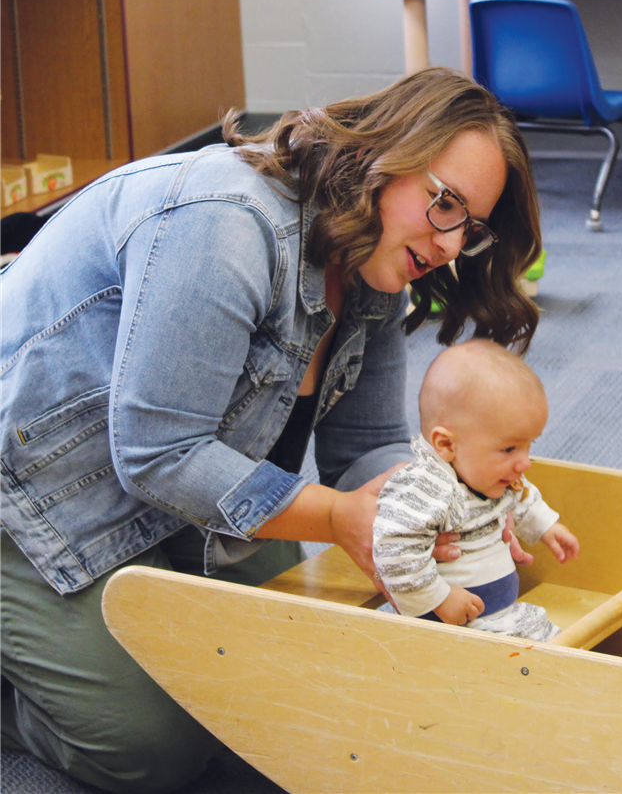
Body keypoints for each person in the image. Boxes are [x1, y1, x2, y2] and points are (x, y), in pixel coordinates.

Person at [0, 67, 543, 793]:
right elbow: (160, 453)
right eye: (443, 202)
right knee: (149, 750)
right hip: (35, 503)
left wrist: (448, 500)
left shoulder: (377, 265)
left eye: (470, 227)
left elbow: (364, 449)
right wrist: (342, 516)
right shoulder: (225, 219)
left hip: (175, 499)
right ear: (378, 157)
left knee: (271, 693)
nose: (449, 243)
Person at [373, 339, 579, 642]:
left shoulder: (488, 475)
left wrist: (546, 525)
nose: (524, 462)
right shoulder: (426, 489)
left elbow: (521, 497)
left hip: (499, 614)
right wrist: (439, 598)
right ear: (446, 445)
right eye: (509, 448)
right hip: (449, 624)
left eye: (528, 445)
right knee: (544, 660)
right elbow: (394, 551)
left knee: (563, 644)